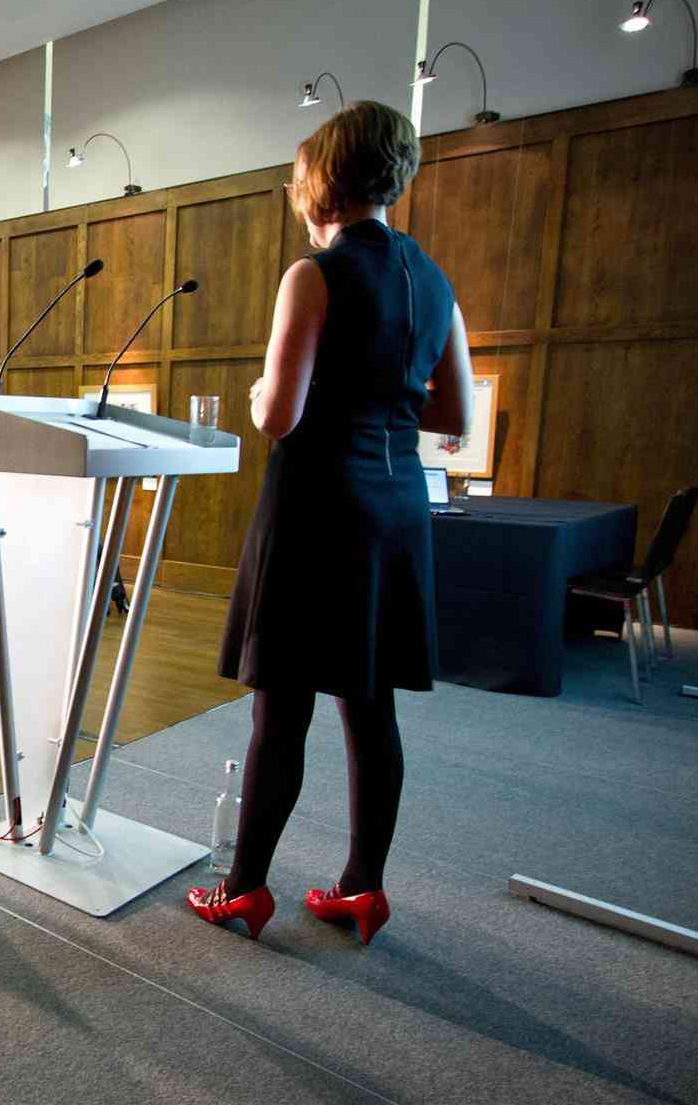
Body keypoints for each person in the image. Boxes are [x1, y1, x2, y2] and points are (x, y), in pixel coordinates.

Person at [189, 102, 473, 946]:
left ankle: (243, 891)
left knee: (280, 711)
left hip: (317, 504)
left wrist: (254, 395)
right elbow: (452, 410)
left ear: (319, 179)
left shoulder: (313, 274)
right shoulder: (435, 281)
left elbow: (277, 415)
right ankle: (362, 888)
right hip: (395, 509)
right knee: (370, 707)